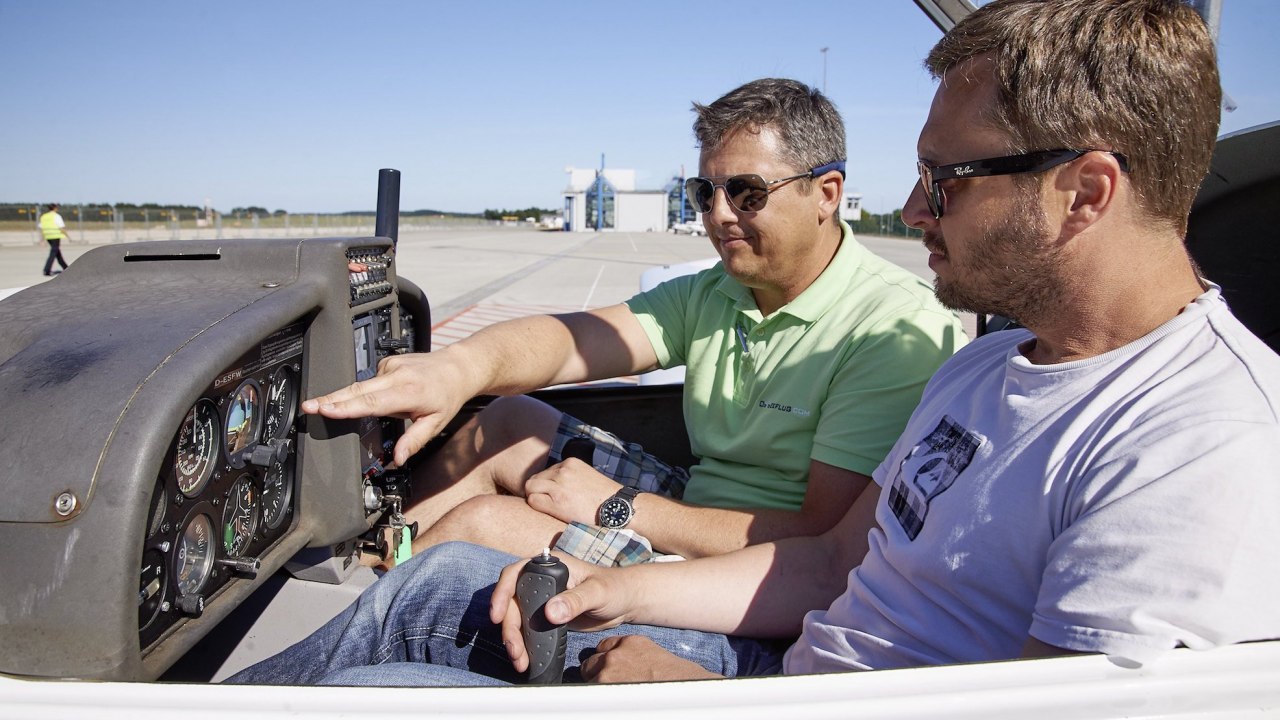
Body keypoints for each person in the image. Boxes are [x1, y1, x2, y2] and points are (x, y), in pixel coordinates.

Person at [229, 0, 1280, 687]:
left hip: (762, 694)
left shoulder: (1197, 449)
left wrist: (689, 686)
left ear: (1083, 192)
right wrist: (616, 588)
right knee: (428, 582)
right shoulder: (981, 369)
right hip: (784, 675)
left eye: (945, 176)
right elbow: (830, 560)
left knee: (374, 693)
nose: (912, 209)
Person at [307, 78, 964, 569]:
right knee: (504, 423)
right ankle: (386, 565)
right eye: (705, 193)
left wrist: (617, 506)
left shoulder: (889, 327)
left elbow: (817, 536)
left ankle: (380, 618)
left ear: (826, 194)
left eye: (748, 193)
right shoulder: (717, 291)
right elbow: (575, 341)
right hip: (696, 504)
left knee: (483, 523)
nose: (718, 215)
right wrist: (461, 367)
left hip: (754, 565)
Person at [39, 202, 70, 276]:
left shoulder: (44, 216)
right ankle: (47, 270)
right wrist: (68, 236)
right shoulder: (56, 216)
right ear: (55, 208)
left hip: (48, 237)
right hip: (55, 236)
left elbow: (42, 228)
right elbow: (61, 227)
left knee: (57, 252)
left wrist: (42, 239)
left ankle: (66, 268)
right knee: (53, 253)